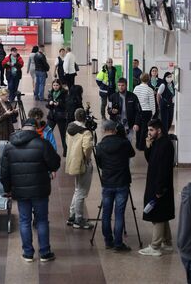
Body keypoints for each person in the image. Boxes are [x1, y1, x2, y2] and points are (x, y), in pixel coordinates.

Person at [0, 119, 61, 263]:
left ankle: (28, 253)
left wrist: (7, 189)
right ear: (34, 129)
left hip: (20, 191)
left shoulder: (9, 147)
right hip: (40, 189)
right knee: (41, 221)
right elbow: (55, 163)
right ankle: (45, 252)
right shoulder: (42, 144)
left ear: (22, 128)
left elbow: (4, 172)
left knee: (24, 221)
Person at [95, 120, 135, 252]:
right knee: (119, 213)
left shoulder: (100, 146)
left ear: (104, 130)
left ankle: (108, 241)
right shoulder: (124, 143)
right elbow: (132, 154)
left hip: (107, 183)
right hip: (122, 182)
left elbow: (100, 164)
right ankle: (118, 243)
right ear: (115, 129)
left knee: (106, 213)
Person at [138, 119, 175, 257]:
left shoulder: (165, 145)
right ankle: (167, 242)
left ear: (159, 130)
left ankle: (155, 246)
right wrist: (148, 147)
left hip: (160, 186)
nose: (149, 133)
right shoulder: (158, 143)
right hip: (156, 184)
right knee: (163, 213)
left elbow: (163, 169)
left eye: (151, 130)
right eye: (148, 130)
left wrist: (159, 189)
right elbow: (151, 161)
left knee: (157, 216)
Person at [65, 108, 94, 229]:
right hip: (82, 162)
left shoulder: (70, 128)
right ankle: (79, 218)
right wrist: (87, 159)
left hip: (72, 160)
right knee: (82, 191)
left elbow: (67, 143)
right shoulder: (85, 132)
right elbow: (87, 148)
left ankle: (72, 215)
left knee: (77, 189)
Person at [108, 77, 141, 143]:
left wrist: (136, 123)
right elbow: (108, 109)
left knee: (128, 143)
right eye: (119, 85)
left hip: (129, 125)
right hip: (116, 126)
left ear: (126, 85)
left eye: (122, 85)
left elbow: (138, 111)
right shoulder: (112, 97)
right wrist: (111, 111)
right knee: (117, 144)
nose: (120, 87)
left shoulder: (133, 96)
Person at [133, 73, 156, 151]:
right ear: (148, 79)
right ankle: (142, 146)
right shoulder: (150, 89)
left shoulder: (136, 88)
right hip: (147, 111)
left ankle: (137, 145)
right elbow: (152, 103)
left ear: (140, 79)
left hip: (138, 111)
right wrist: (153, 113)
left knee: (138, 128)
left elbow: (134, 100)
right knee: (145, 129)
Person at [46, 79, 68, 156]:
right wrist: (50, 103)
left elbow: (66, 105)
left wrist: (59, 104)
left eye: (57, 85)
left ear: (60, 85)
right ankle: (46, 150)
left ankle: (66, 151)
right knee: (47, 132)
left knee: (63, 134)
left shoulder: (64, 93)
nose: (55, 87)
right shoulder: (50, 93)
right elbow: (47, 105)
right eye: (54, 85)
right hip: (51, 116)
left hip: (61, 116)